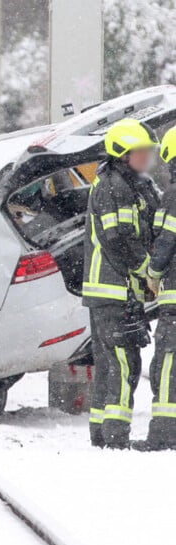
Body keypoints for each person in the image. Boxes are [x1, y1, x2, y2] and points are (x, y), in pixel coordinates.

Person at [83, 119, 158, 449]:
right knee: (124, 365)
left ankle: (101, 434)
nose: (147, 159)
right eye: (141, 153)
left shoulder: (128, 184)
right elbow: (120, 240)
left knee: (108, 365)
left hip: (110, 291)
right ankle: (115, 438)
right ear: (122, 154)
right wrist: (149, 270)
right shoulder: (116, 187)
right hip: (114, 289)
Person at [137, 127, 176, 450]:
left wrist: (151, 273)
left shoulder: (174, 196)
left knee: (166, 366)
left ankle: (164, 434)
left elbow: (165, 244)